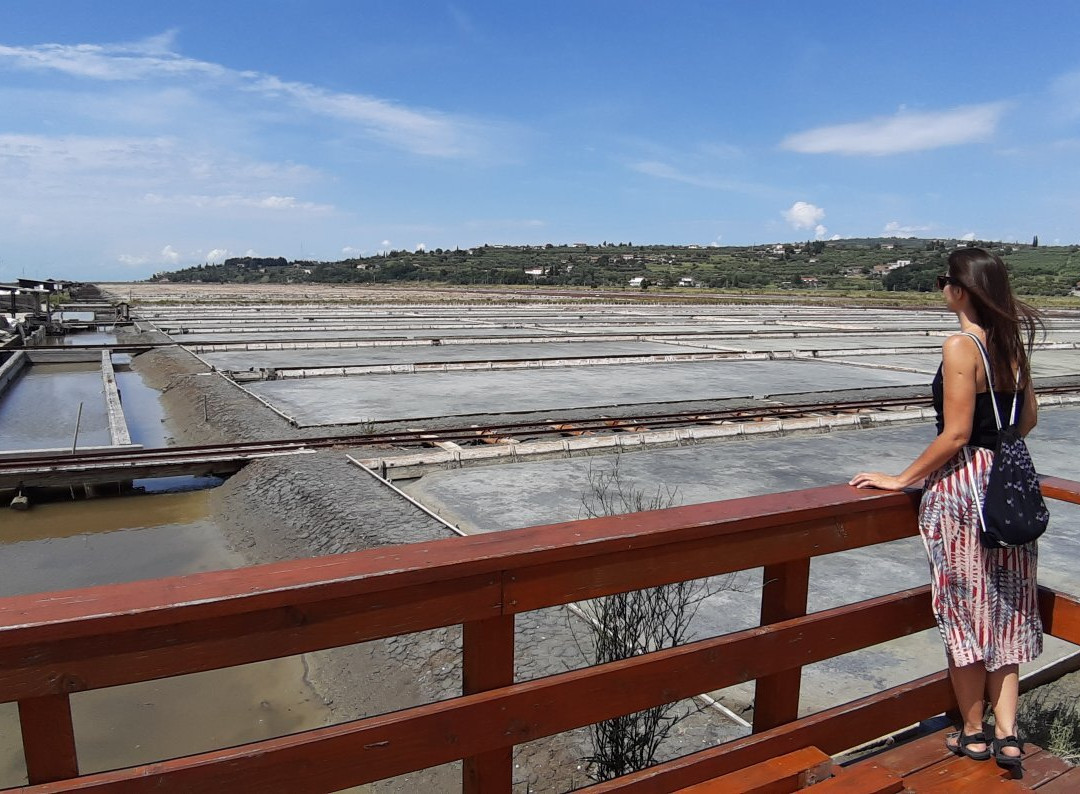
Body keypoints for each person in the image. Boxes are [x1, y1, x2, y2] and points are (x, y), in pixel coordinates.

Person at [850, 247, 1044, 768]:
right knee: (1007, 609)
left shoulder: (961, 345)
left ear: (958, 289)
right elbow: (1027, 420)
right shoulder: (1011, 345)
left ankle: (974, 733)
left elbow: (956, 433)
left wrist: (901, 478)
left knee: (963, 610)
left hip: (964, 491)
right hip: (1008, 487)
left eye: (943, 280)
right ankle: (1009, 733)